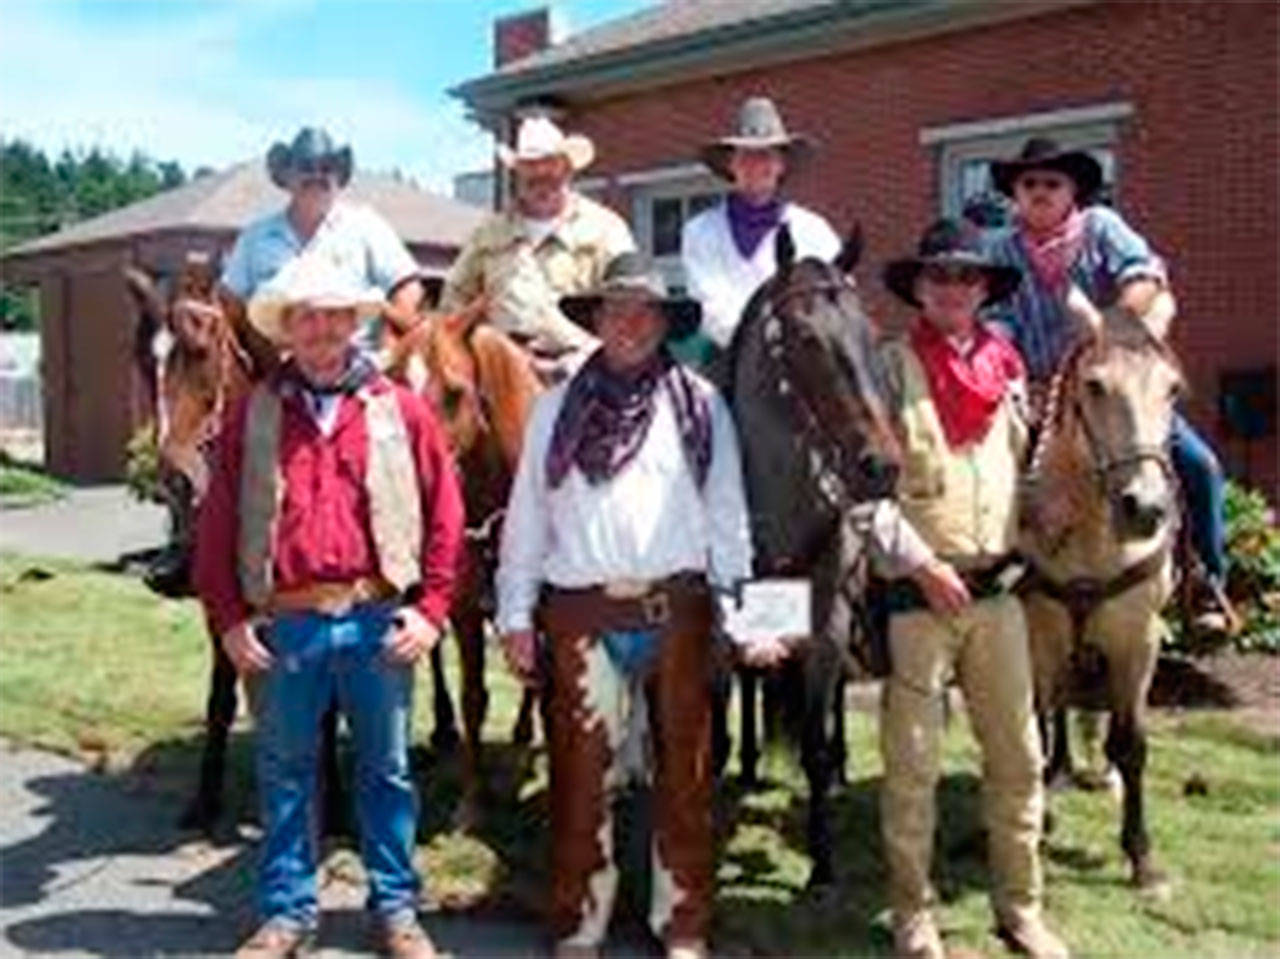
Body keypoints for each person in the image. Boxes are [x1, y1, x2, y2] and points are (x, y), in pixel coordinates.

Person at [195, 255, 464, 959]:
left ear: (354, 324)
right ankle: (287, 913)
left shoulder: (398, 407)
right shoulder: (254, 412)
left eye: (334, 316)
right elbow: (218, 525)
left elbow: (446, 513)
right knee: (285, 770)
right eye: (306, 317)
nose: (321, 329)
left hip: (377, 618)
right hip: (287, 622)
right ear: (287, 328)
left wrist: (432, 607)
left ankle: (396, 910)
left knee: (388, 771)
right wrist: (227, 617)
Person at [494, 253, 754, 959]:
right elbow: (527, 519)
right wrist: (516, 614)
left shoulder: (701, 403)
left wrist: (746, 615)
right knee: (580, 774)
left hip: (679, 612)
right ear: (597, 321)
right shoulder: (555, 408)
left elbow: (728, 516)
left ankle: (684, 922)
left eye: (645, 311)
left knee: (686, 771)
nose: (630, 325)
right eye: (616, 310)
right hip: (581, 613)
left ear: (665, 323)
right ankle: (580, 920)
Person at [875, 220, 1069, 959]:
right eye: (939, 277)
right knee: (914, 765)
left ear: (985, 289)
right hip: (920, 596)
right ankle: (912, 913)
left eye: (966, 277)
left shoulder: (1010, 366)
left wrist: (1040, 505)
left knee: (1018, 756)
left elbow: (1018, 470)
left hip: (997, 597)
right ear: (919, 289)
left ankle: (1021, 910)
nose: (953, 289)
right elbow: (865, 492)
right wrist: (922, 563)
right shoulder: (890, 368)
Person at [982, 136, 1235, 635]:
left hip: (1118, 388)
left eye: (1052, 183)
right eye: (1029, 183)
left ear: (1072, 190)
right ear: (1015, 192)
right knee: (993, 472)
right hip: (1034, 390)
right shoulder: (999, 249)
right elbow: (993, 316)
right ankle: (994, 577)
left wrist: (1111, 323)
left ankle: (1207, 579)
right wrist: (1005, 360)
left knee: (1199, 465)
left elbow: (1144, 277)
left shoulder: (1101, 228)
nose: (1039, 191)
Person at [219, 126, 426, 365]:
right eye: (306, 167)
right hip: (273, 368)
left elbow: (408, 286)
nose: (317, 176)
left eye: (327, 168)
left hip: (355, 365)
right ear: (286, 175)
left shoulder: (366, 226)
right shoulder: (255, 237)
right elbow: (229, 302)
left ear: (339, 177)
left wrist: (390, 346)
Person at [439, 115, 636, 366]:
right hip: (502, 372)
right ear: (518, 171)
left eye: (550, 163)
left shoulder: (605, 229)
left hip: (582, 367)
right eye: (531, 165)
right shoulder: (487, 234)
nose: (541, 173)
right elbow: (454, 301)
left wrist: (594, 354)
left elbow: (628, 302)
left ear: (567, 167)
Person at [680, 96, 841, 361]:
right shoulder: (699, 231)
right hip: (728, 355)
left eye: (766, 156)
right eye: (746, 157)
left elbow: (836, 294)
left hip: (804, 357)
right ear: (731, 165)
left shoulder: (815, 230)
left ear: (781, 165)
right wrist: (761, 341)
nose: (756, 166)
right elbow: (707, 303)